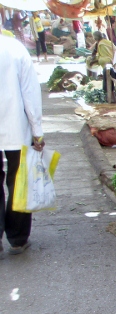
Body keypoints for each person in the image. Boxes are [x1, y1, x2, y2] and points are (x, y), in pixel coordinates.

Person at [0, 34, 44, 255]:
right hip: (16, 127)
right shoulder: (15, 49)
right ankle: (17, 238)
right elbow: (30, 94)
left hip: (15, 128)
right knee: (19, 182)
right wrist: (38, 132)